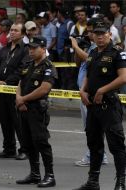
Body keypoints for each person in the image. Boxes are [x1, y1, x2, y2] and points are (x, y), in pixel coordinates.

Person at [73, 21, 126, 190]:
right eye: (97, 33)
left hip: (109, 105)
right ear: (93, 36)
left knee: (116, 145)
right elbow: (88, 74)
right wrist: (82, 90)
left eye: (103, 33)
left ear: (109, 35)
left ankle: (121, 182)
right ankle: (93, 181)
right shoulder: (93, 52)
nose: (100, 36)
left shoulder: (117, 53)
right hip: (93, 106)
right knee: (94, 144)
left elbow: (123, 77)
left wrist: (103, 89)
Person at [15, 36, 57, 187]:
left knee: (41, 142)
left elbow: (44, 89)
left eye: (34, 48)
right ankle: (35, 174)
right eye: (29, 48)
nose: (31, 51)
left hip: (37, 109)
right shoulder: (28, 64)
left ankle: (50, 175)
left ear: (43, 48)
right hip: (24, 108)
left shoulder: (48, 66)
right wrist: (19, 99)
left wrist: (23, 99)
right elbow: (20, 83)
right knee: (28, 143)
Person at [70, 18, 108, 167]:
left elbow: (91, 61)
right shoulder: (90, 46)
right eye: (91, 31)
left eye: (93, 31)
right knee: (89, 127)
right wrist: (77, 48)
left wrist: (75, 46)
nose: (91, 34)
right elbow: (78, 62)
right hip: (84, 92)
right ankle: (99, 155)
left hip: (93, 93)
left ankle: (93, 155)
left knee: (92, 127)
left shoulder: (99, 49)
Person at [0, 23, 28, 160]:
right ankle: (8, 148)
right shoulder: (4, 49)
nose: (12, 32)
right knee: (5, 120)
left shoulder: (25, 50)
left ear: (23, 34)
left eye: (16, 30)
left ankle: (25, 149)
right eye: (11, 29)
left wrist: (8, 81)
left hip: (15, 90)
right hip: (2, 90)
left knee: (18, 121)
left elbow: (22, 69)